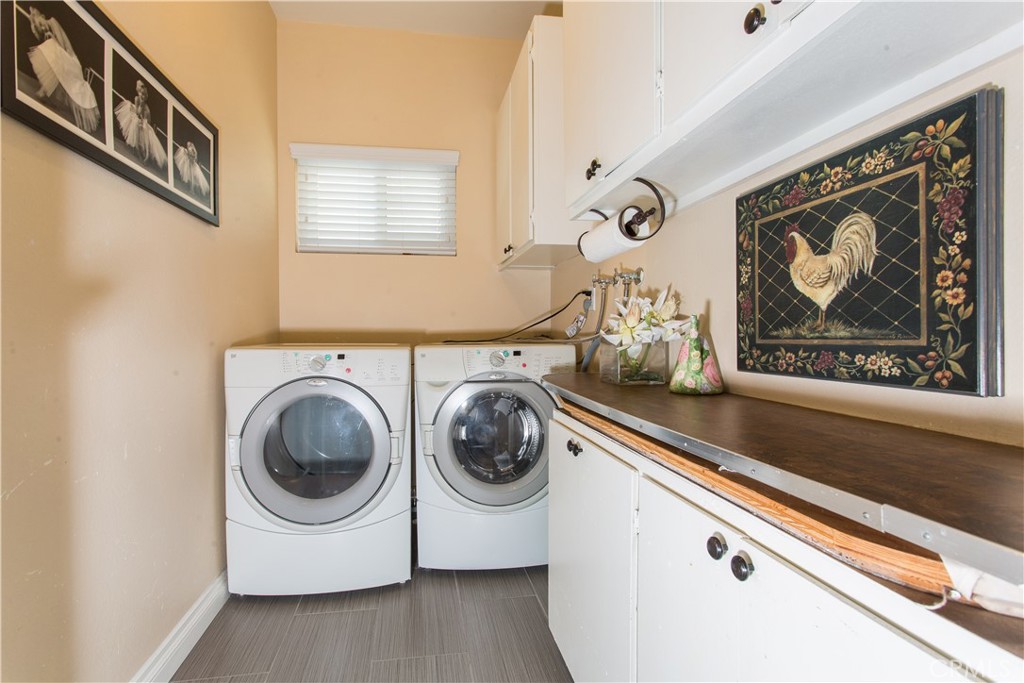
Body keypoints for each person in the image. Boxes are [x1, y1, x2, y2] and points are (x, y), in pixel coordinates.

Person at [26, 5, 99, 132]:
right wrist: (42, 31)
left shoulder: (52, 21)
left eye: (40, 23)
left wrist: (50, 36)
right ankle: (45, 91)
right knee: (49, 49)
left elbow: (62, 44)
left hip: (70, 58)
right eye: (38, 25)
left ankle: (45, 92)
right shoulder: (46, 30)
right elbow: (41, 38)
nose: (42, 27)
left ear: (42, 16)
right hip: (62, 56)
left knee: (51, 48)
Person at [114, 79, 167, 168]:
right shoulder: (137, 99)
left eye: (144, 95)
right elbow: (138, 113)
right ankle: (138, 152)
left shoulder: (147, 107)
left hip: (143, 121)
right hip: (137, 118)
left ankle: (144, 154)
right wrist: (141, 104)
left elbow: (148, 119)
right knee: (137, 126)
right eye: (142, 94)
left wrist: (145, 121)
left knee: (147, 132)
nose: (143, 96)